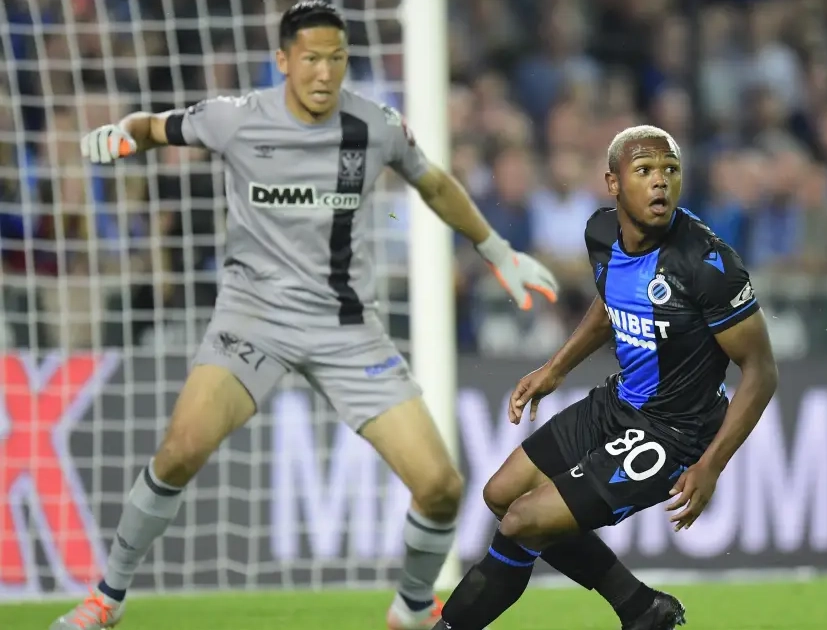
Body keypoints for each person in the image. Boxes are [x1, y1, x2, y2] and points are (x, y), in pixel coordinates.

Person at [55, 2, 558, 629]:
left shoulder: (374, 125)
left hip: (346, 331)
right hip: (252, 322)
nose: (324, 72)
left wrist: (497, 251)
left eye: (336, 58)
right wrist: (124, 133)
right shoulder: (236, 118)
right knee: (179, 452)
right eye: (312, 58)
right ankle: (108, 597)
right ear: (283, 61)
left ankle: (411, 605)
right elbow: (156, 126)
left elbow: (432, 182)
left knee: (440, 487)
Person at [428, 124, 778, 630]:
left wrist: (712, 465)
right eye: (645, 170)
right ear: (613, 183)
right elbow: (610, 300)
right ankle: (640, 608)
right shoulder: (600, 233)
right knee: (500, 495)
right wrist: (555, 368)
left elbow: (761, 371)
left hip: (676, 433)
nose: (660, 181)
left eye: (671, 170)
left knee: (523, 521)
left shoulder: (708, 263)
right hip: (620, 403)